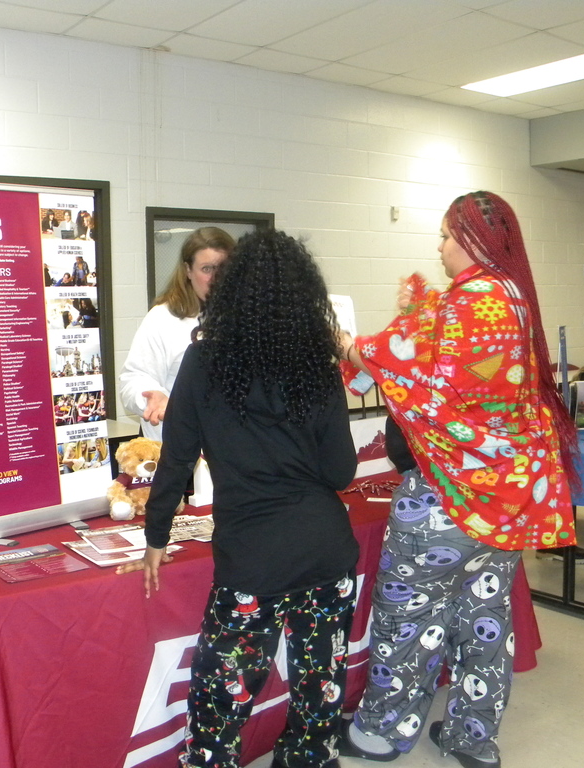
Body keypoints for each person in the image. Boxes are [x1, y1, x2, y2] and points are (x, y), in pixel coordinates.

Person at [336, 191, 579, 768]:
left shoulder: (462, 304)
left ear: (471, 239)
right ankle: (473, 736)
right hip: (505, 500)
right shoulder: (515, 299)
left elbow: (397, 367)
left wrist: (346, 343)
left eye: (445, 236)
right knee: (485, 623)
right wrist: (413, 317)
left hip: (445, 497)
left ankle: (381, 733)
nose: (440, 248)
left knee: (407, 618)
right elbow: (464, 378)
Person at [142, 229, 359, 768]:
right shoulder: (317, 366)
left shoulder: (204, 361)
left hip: (252, 558)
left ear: (233, 287)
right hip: (324, 551)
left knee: (221, 699)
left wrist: (156, 537)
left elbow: (176, 457)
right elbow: (341, 470)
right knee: (319, 692)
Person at [119, 227, 235, 440]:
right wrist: (154, 396)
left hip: (234, 449)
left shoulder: (248, 318)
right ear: (188, 271)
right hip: (181, 449)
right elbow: (133, 379)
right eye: (207, 269)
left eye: (224, 268)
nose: (216, 278)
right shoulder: (164, 318)